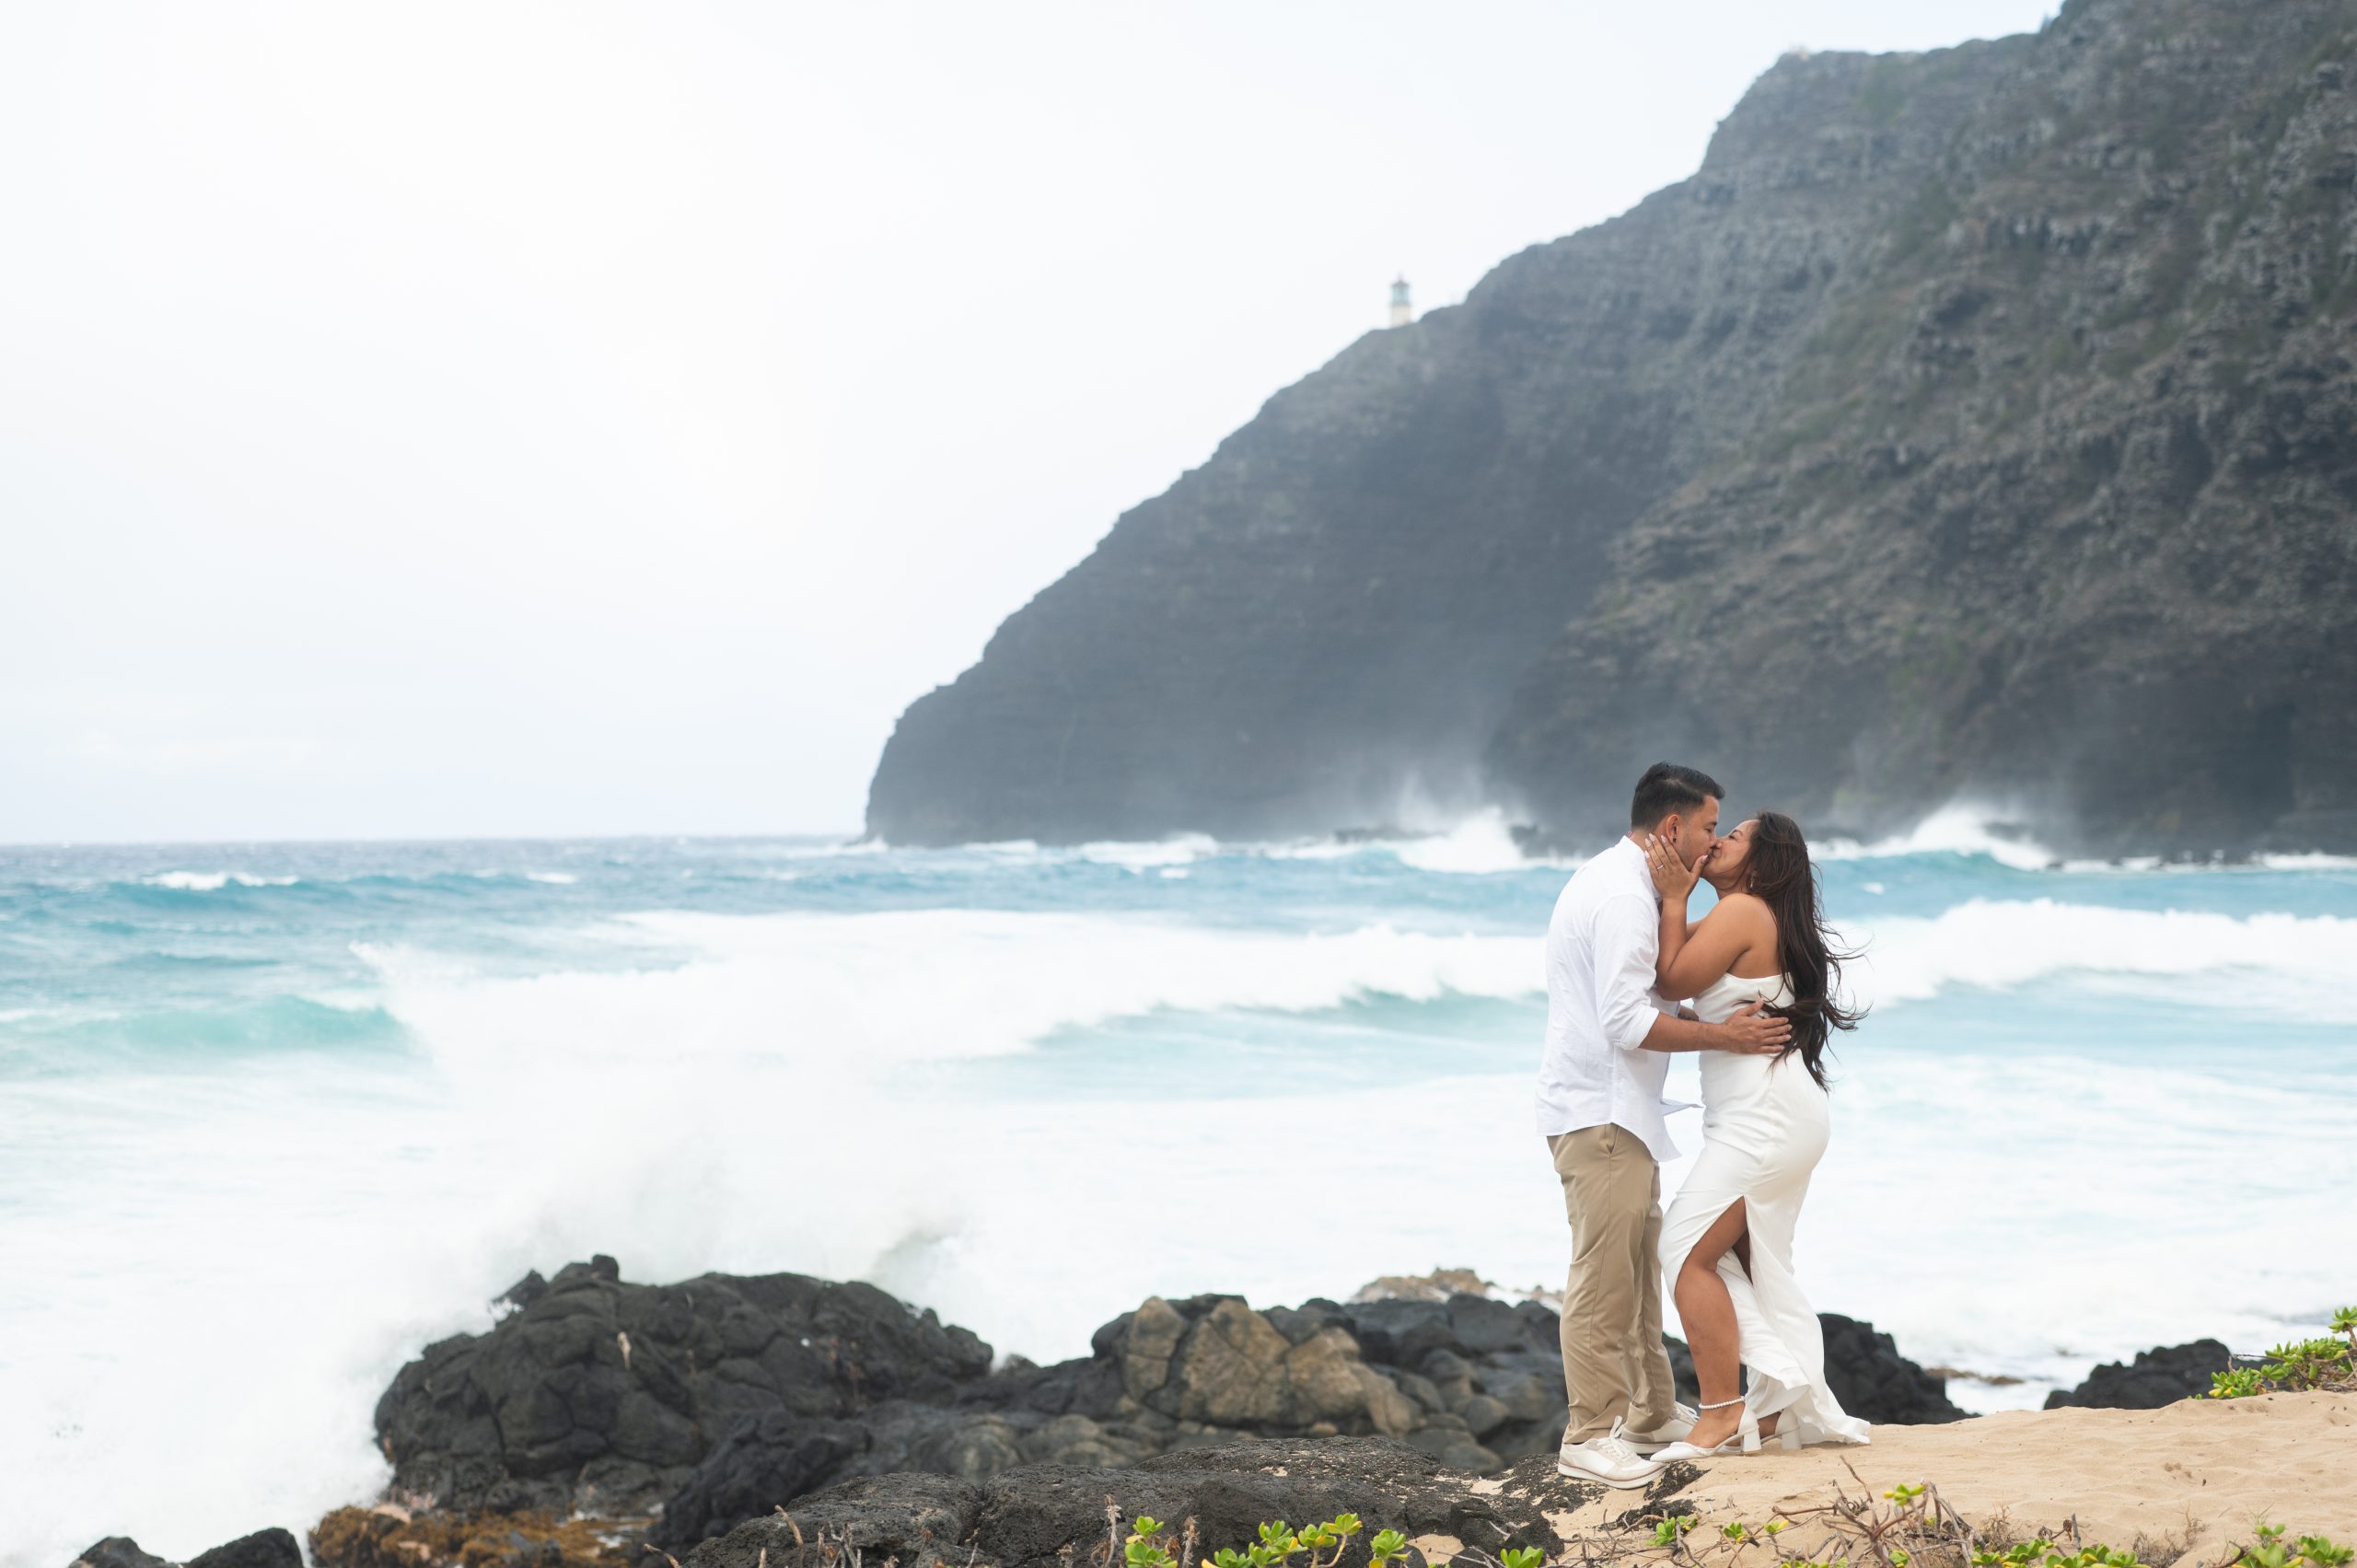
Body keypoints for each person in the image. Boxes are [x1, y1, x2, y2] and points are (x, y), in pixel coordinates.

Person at [1539, 762, 1794, 1490]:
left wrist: (1710, 1024)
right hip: (1600, 1111)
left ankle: (1651, 1412)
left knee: (1638, 1267)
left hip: (1623, 1111)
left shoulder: (1629, 884)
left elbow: (1643, 1000)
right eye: (1713, 825)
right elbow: (1624, 1021)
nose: (1716, 840)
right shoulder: (1623, 895)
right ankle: (1589, 1431)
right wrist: (1727, 1039)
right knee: (1603, 1275)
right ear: (1673, 826)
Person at [1640, 810, 1870, 1461]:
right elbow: (1694, 995)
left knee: (1685, 1253)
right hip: (1776, 1113)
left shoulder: (1743, 911)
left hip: (1764, 1119)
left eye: (1733, 836)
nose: (1716, 841)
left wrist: (1674, 897)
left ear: (1761, 862)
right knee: (1746, 1262)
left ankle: (1719, 1415)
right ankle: (1772, 1414)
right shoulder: (1752, 916)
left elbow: (1670, 977)